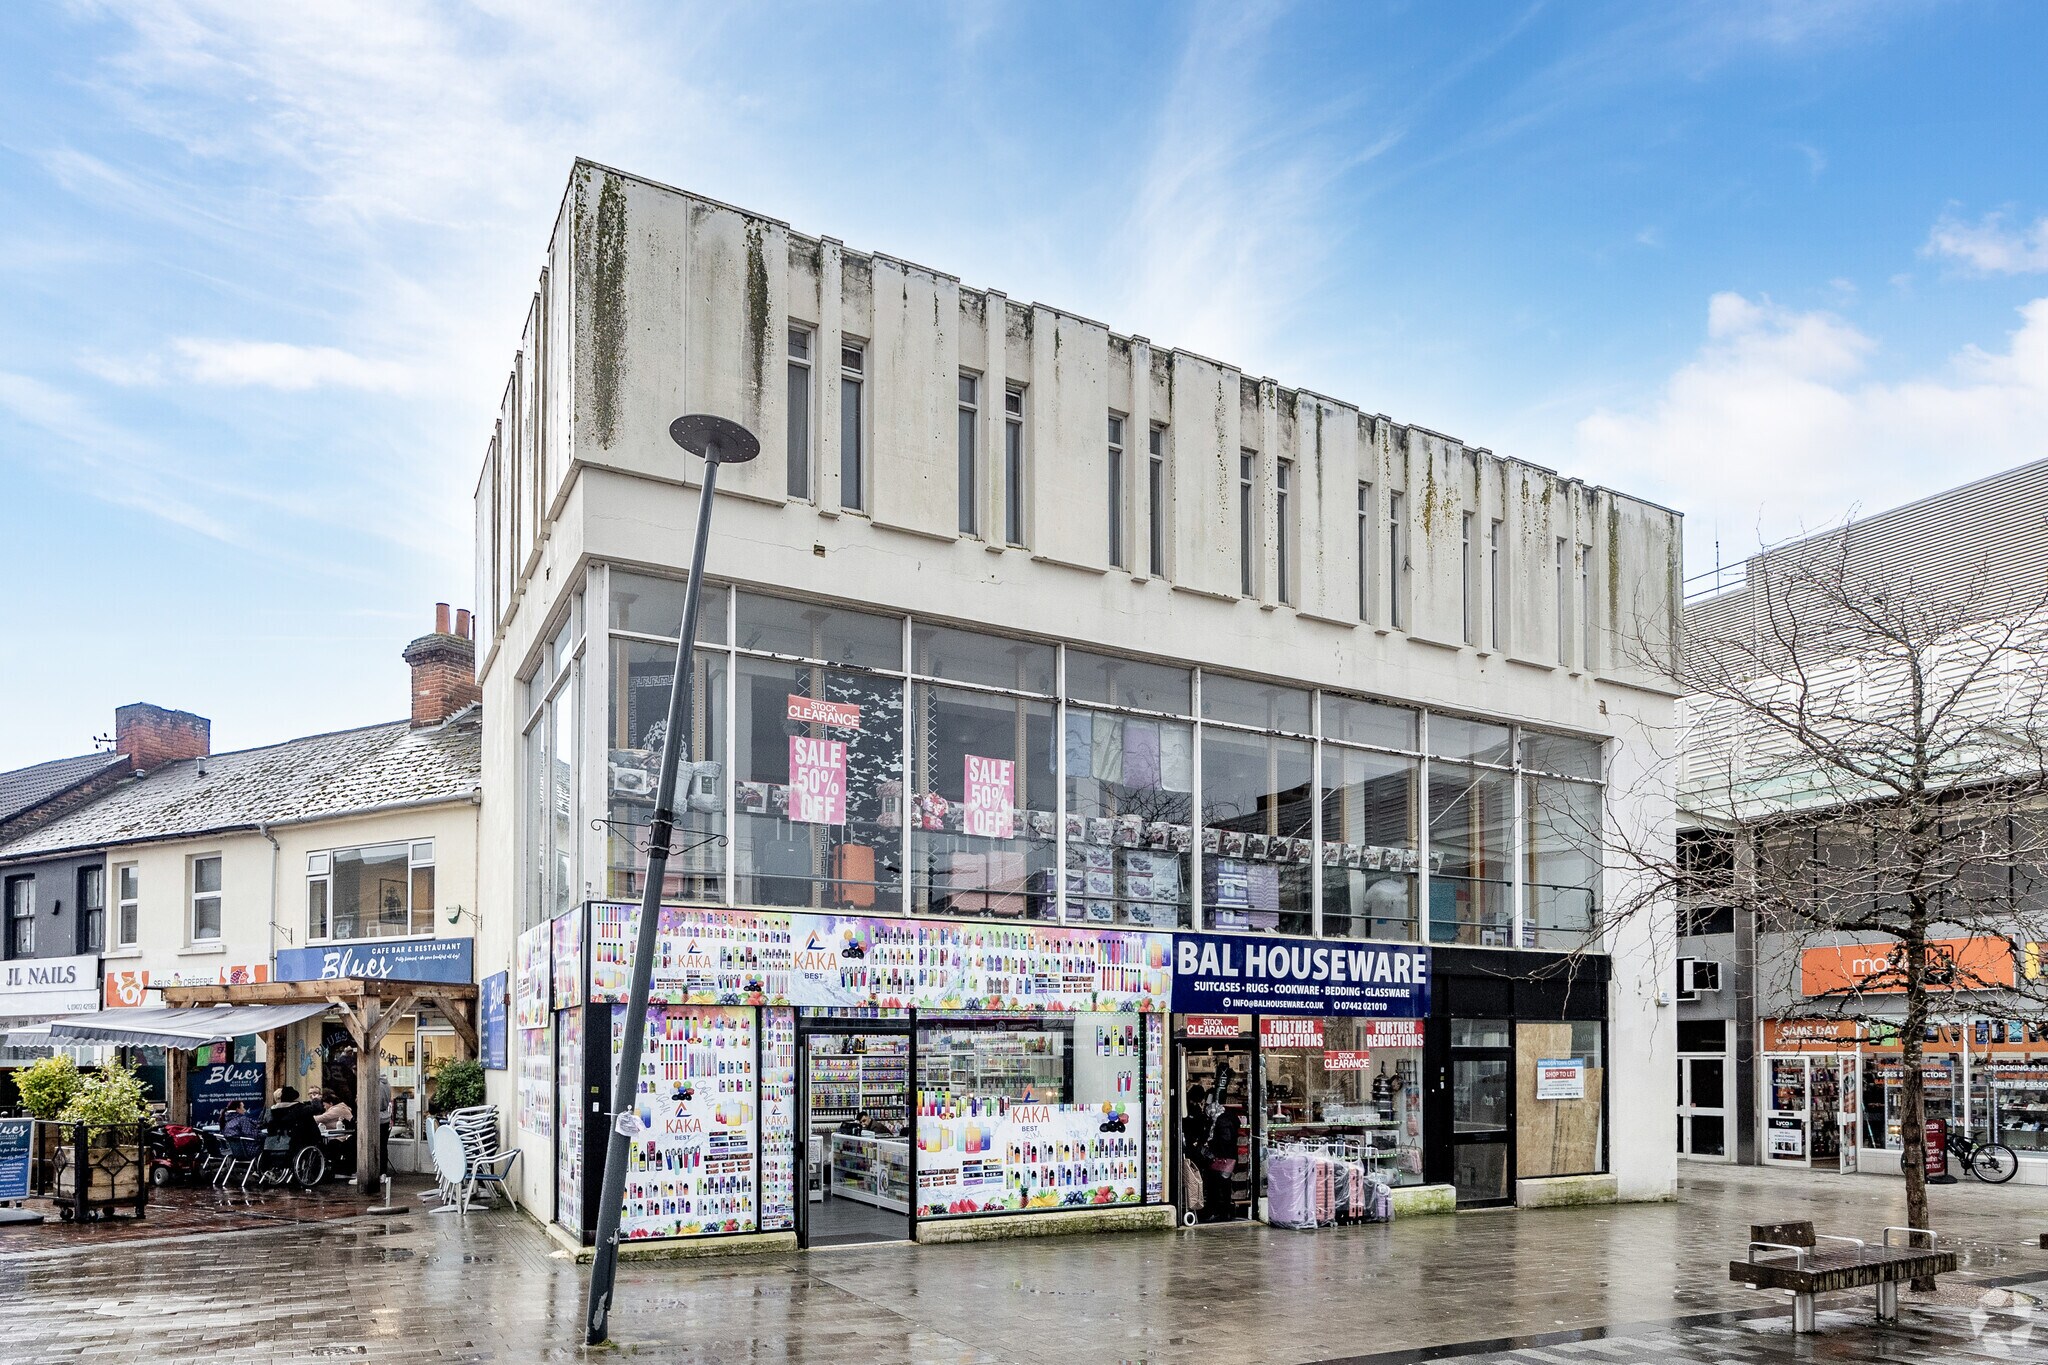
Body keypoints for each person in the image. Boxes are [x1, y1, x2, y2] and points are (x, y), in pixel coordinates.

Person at [1200, 1095, 1240, 1222]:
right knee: (1224, 1186)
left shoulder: (1222, 1121)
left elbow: (1225, 1139)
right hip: (1228, 1158)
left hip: (1223, 1159)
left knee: (1217, 1186)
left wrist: (1213, 1147)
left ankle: (1220, 1212)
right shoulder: (1227, 1118)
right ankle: (1224, 1212)